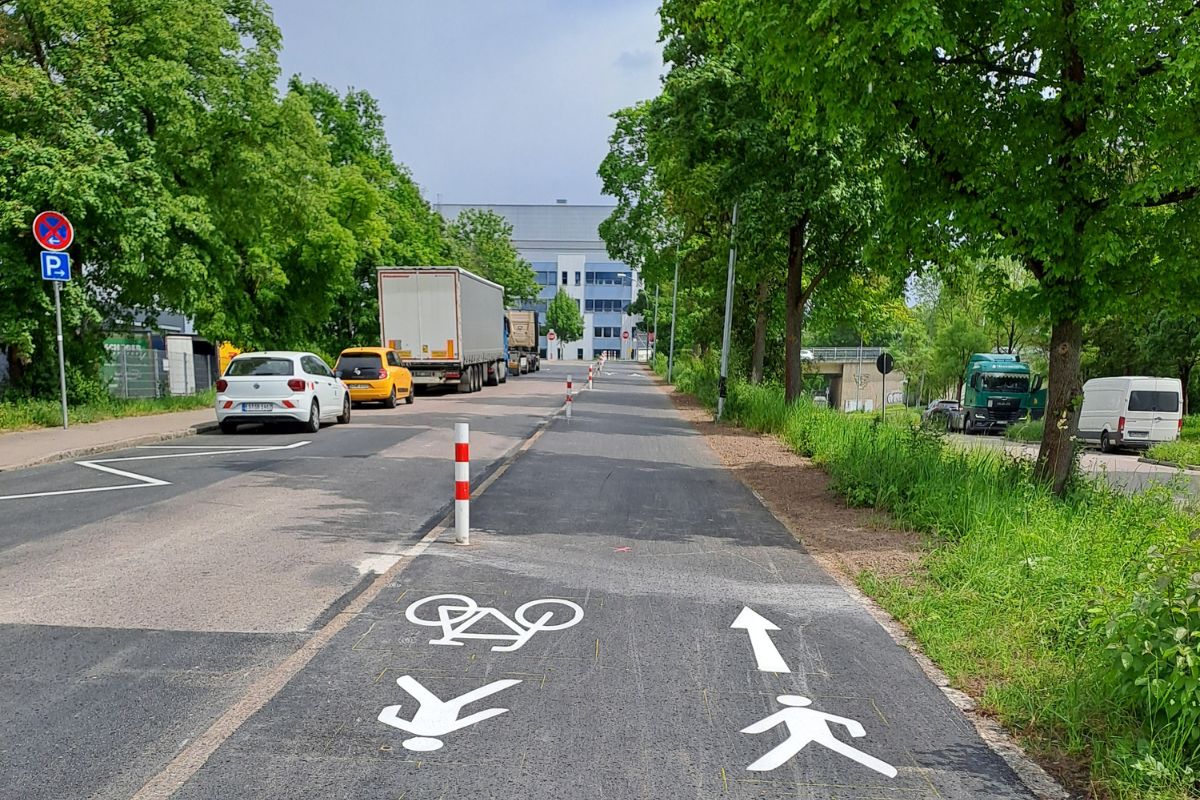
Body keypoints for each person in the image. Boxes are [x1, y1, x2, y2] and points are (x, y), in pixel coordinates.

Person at [741, 695, 897, 777]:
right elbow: (846, 721)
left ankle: (762, 765)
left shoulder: (789, 711)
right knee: (842, 748)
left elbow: (769, 722)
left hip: (811, 734)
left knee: (789, 748)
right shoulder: (802, 711)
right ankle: (883, 768)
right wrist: (856, 730)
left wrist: (751, 730)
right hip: (808, 735)